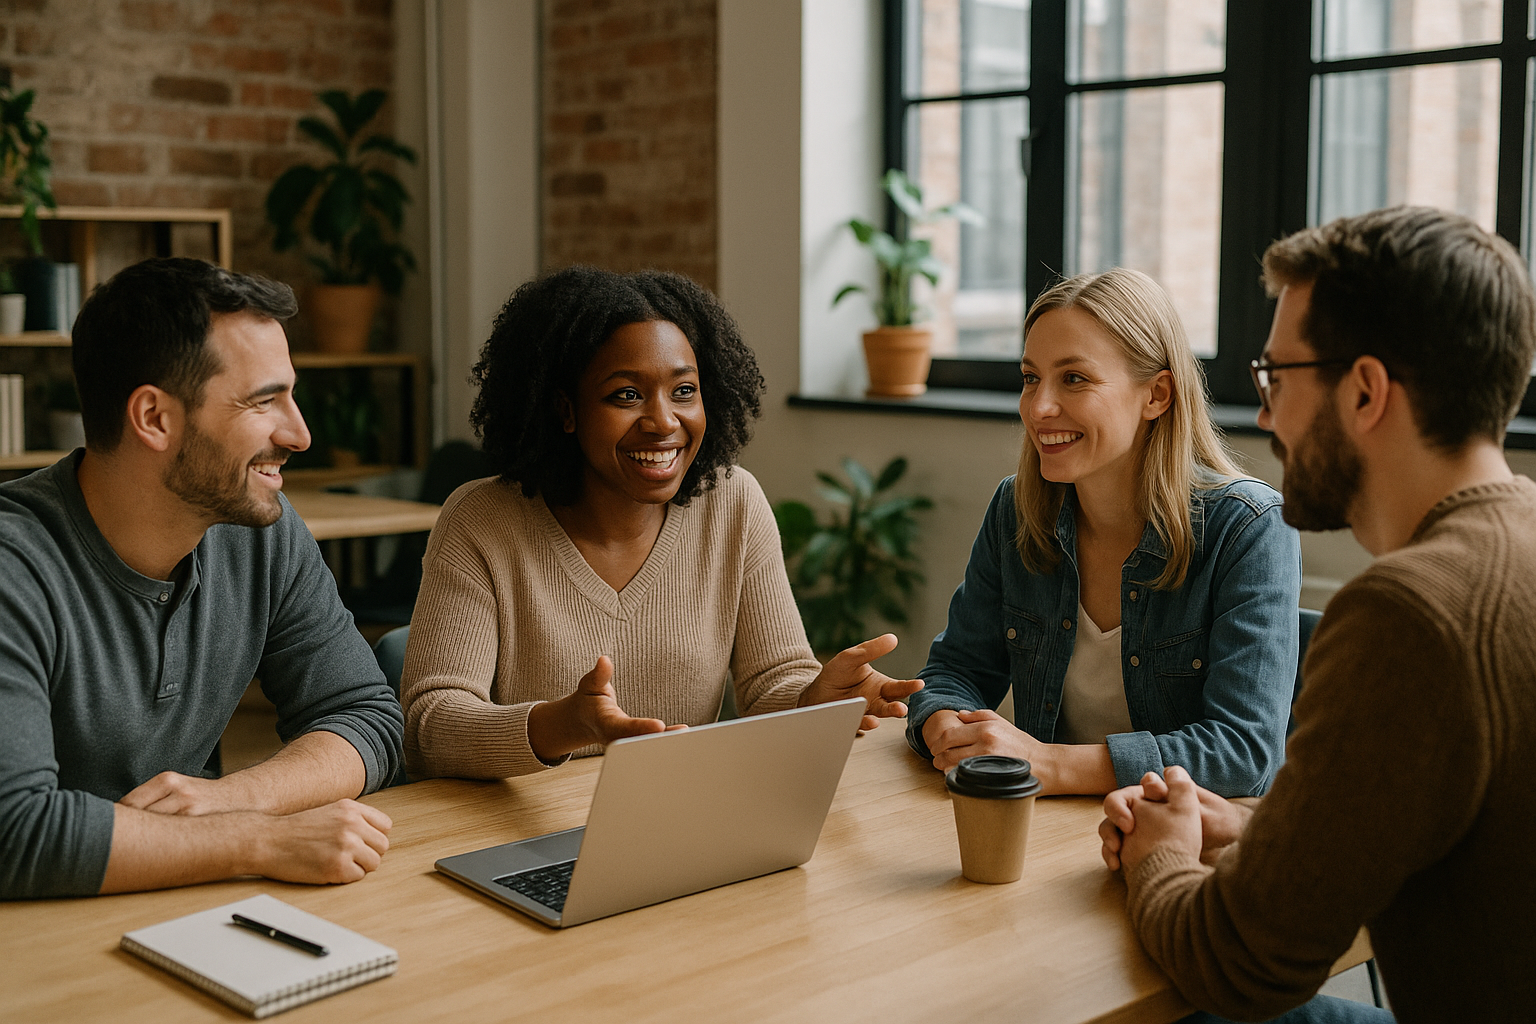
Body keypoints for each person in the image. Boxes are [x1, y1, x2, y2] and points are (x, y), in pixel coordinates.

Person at [1100, 206, 1536, 1021]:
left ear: (1365, 390)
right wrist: (1256, 826)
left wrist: (1160, 857)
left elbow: (1241, 962)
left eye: (1277, 377)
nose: (1265, 416)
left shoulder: (1410, 614)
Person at [402, 266, 920, 779]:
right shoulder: (481, 521)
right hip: (518, 832)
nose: (664, 422)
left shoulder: (733, 503)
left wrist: (815, 698)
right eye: (626, 394)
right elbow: (430, 725)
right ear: (565, 409)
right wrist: (566, 724)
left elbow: (772, 683)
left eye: (684, 391)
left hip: (680, 818)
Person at [0, 258, 403, 900]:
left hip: (187, 906)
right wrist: (258, 839)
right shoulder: (13, 565)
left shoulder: (261, 530)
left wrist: (231, 798)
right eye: (263, 401)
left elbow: (366, 715)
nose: (299, 434)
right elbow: (14, 831)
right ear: (154, 418)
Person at [906, 268, 1301, 797]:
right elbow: (956, 669)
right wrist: (943, 723)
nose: (1039, 407)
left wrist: (1049, 764)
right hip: (1045, 831)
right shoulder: (1017, 510)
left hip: (1177, 841)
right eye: (1030, 377)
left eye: (1074, 378)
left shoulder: (1248, 529)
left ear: (1157, 395)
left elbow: (1243, 753)